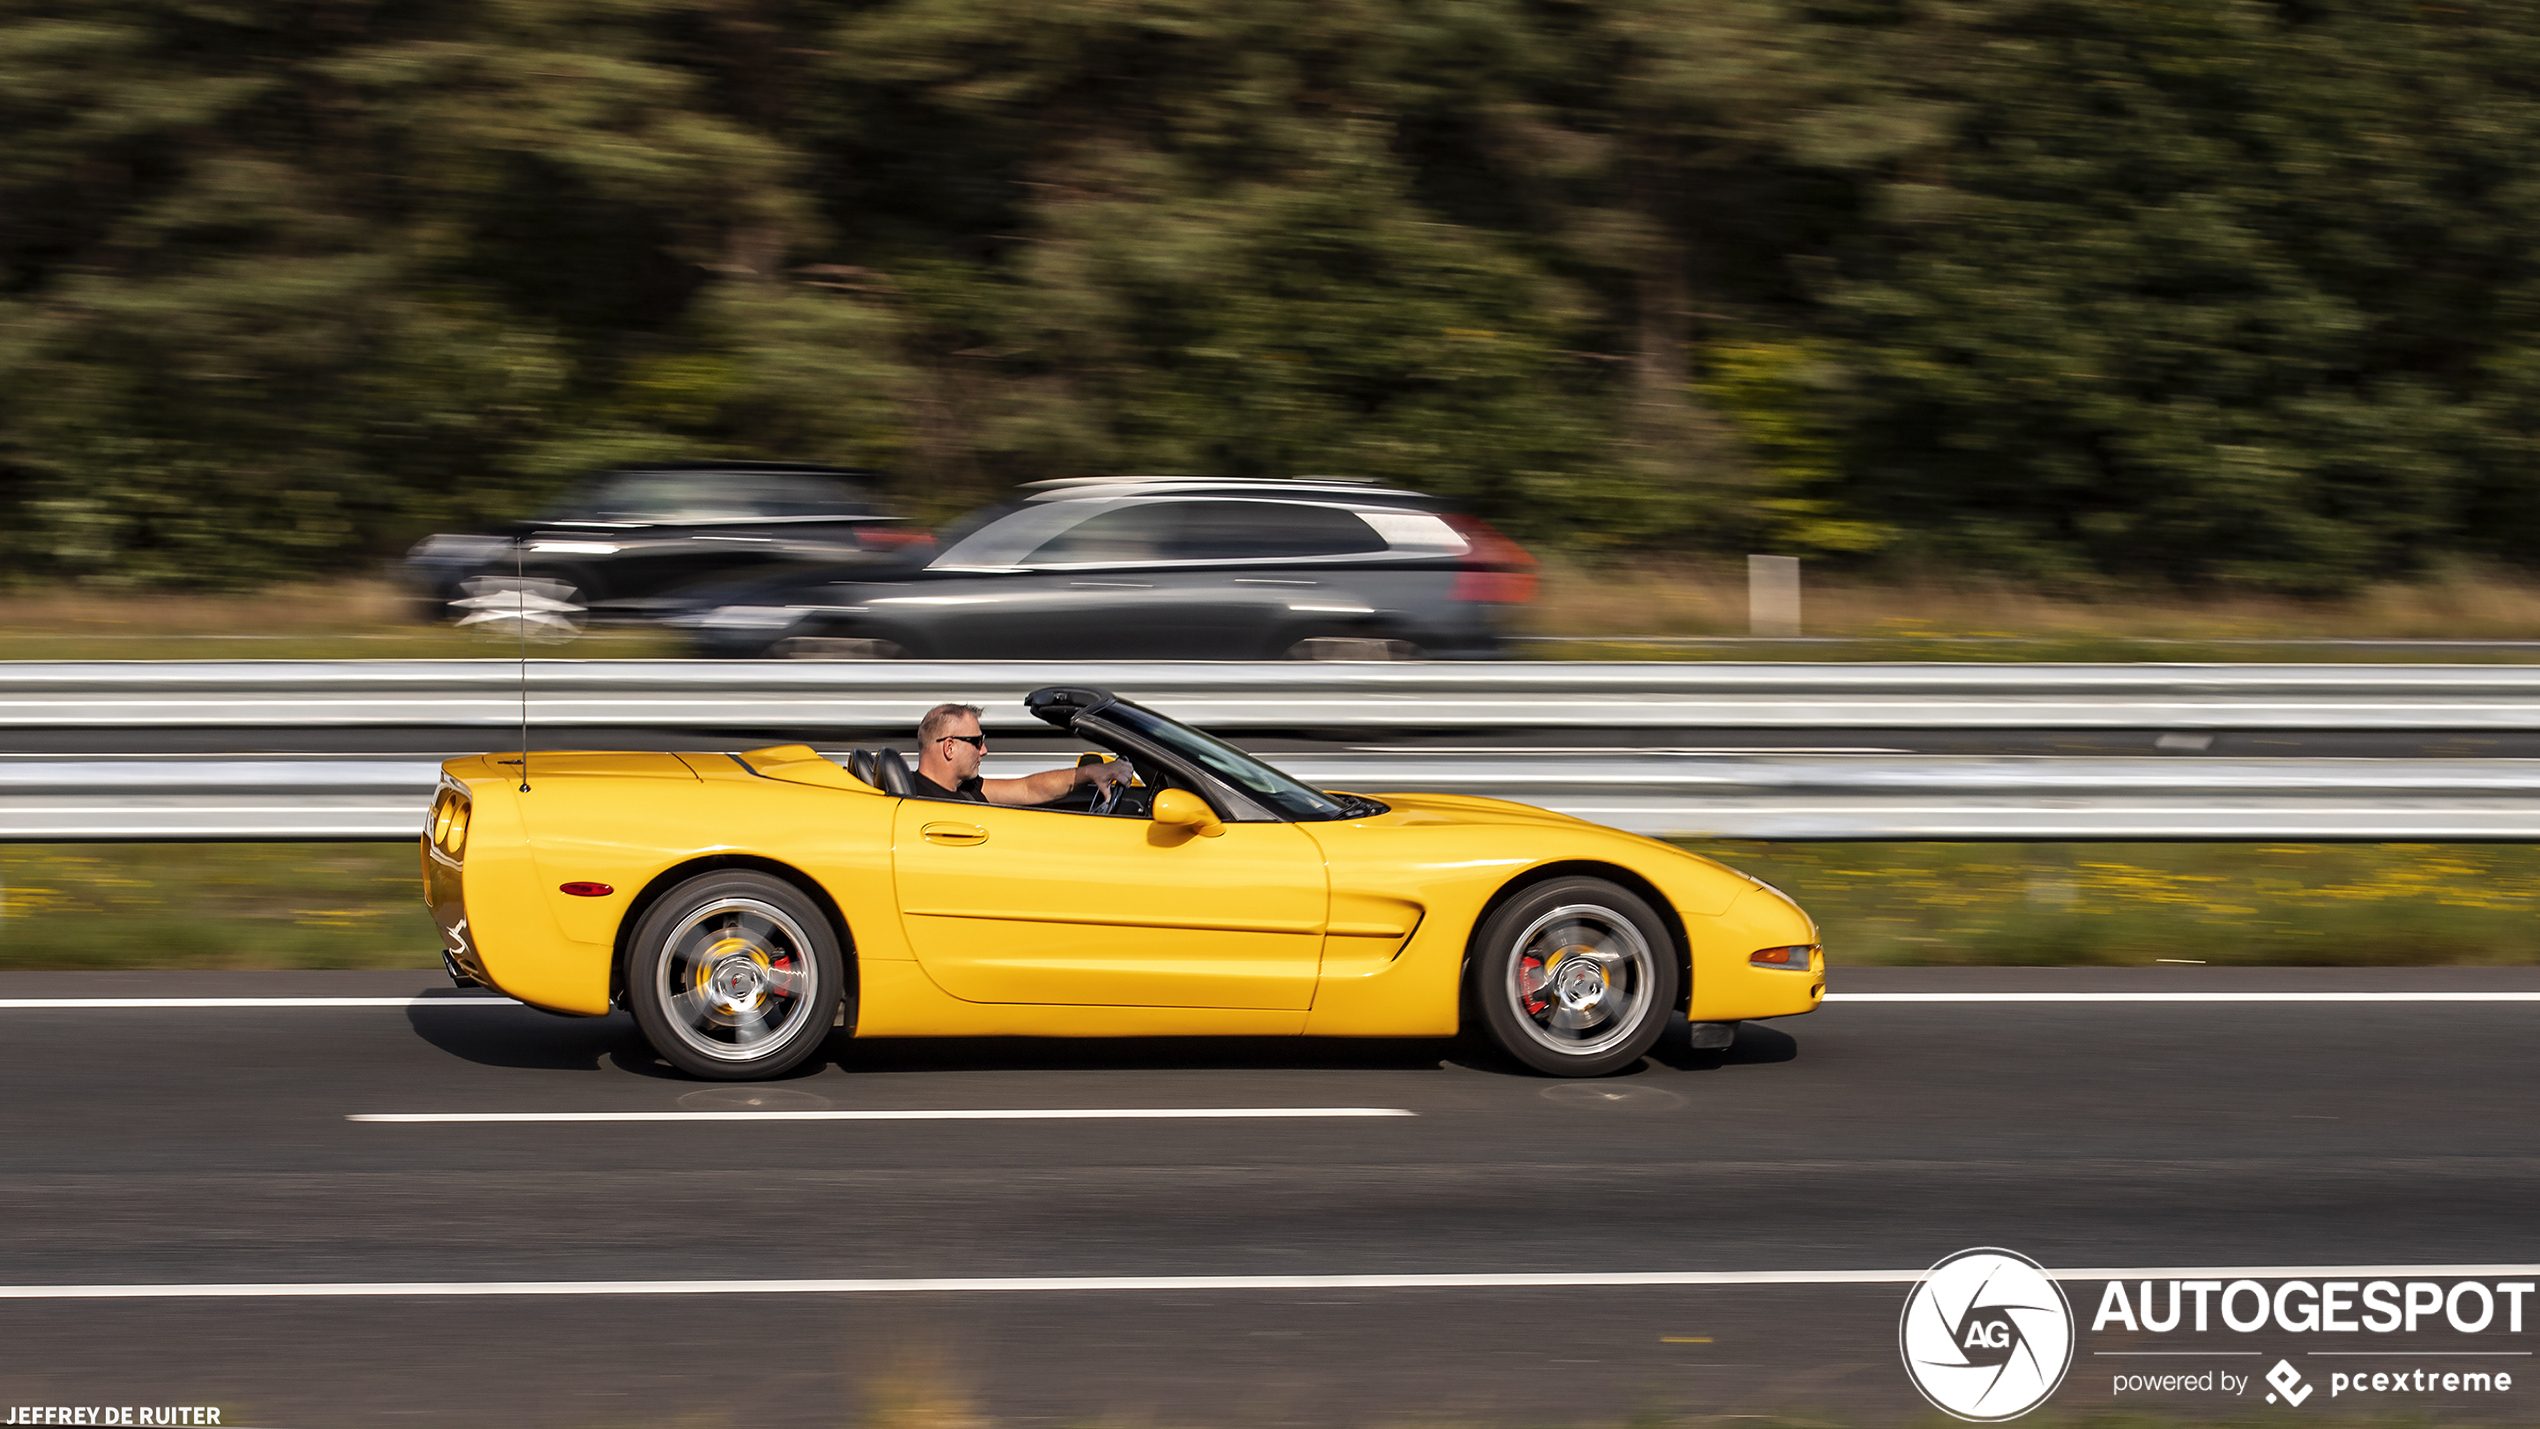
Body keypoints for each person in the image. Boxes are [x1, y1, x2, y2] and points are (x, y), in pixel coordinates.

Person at [911, 702, 1136, 806]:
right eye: (977, 742)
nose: (984, 750)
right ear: (949, 747)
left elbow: (1028, 789)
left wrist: (1090, 773)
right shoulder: (911, 799)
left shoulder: (968, 789)